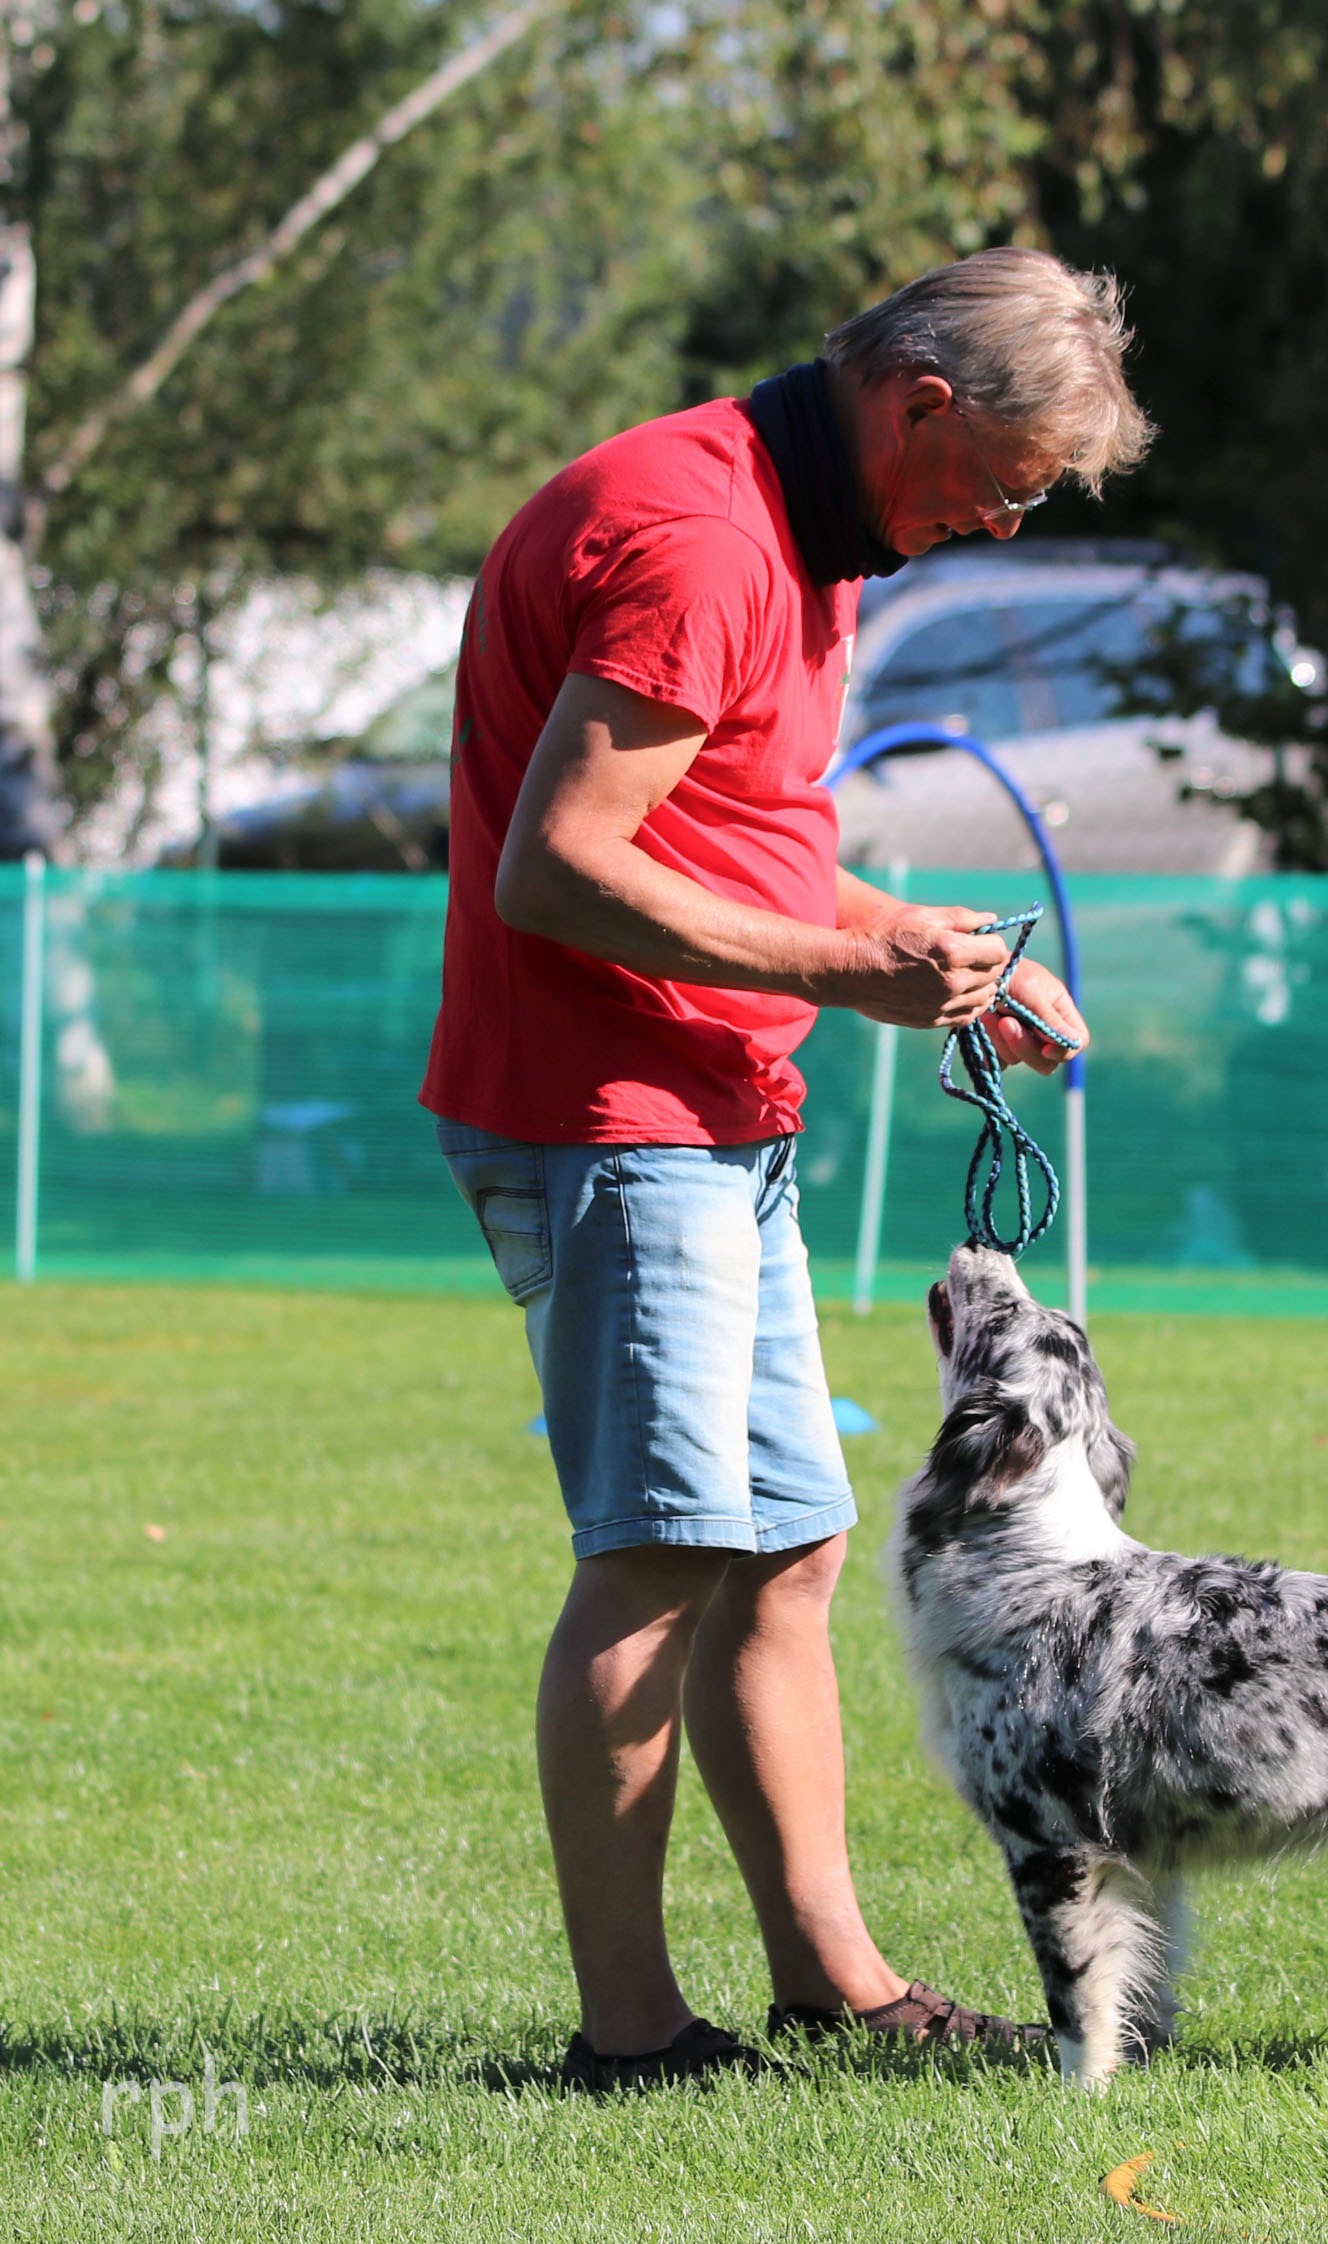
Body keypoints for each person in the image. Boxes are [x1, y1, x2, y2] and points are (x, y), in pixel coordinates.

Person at [420, 247, 1152, 2089]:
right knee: (661, 1555)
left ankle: (835, 1983)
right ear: (920, 402)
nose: (1000, 527)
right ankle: (630, 2037)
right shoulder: (704, 538)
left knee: (788, 1552)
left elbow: (732, 840)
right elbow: (558, 866)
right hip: (609, 1109)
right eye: (1005, 486)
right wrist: (847, 974)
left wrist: (918, 943)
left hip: (710, 1103)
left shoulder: (803, 531)